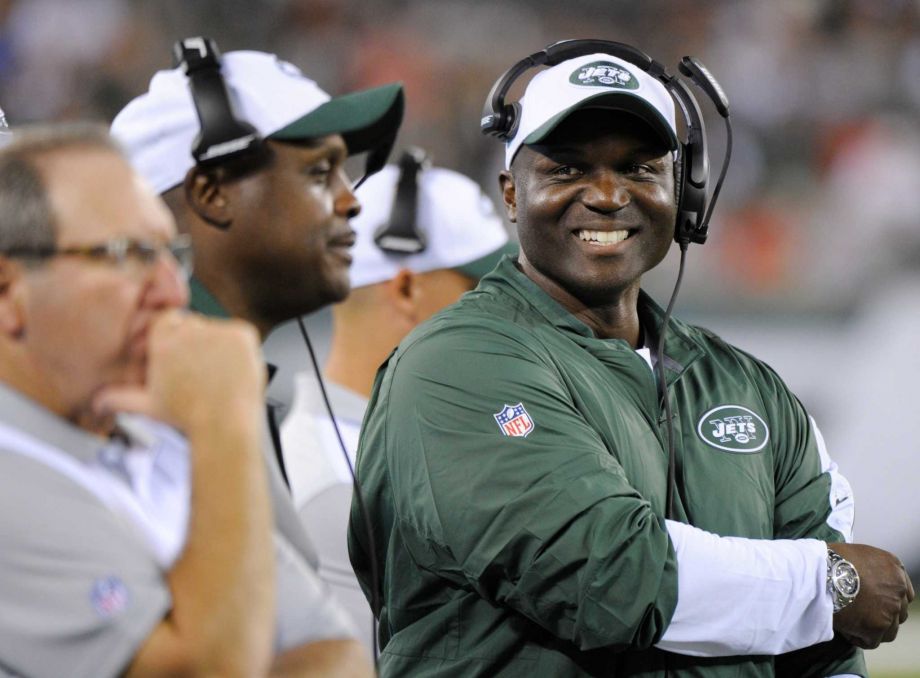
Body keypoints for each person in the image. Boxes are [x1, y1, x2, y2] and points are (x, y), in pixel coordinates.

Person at [347, 47, 914, 677]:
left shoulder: (749, 387)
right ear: (512, 193)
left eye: (640, 167)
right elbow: (608, 579)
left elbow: (824, 652)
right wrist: (825, 585)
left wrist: (830, 608)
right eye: (566, 169)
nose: (609, 195)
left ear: (685, 192)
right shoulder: (453, 366)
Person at [0, 124, 365, 677]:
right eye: (126, 254)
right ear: (9, 294)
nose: (172, 292)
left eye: (170, 253)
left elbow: (334, 646)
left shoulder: (154, 431)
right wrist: (221, 422)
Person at [110, 44, 404, 661]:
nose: (351, 200)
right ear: (213, 194)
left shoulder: (216, 381)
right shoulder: (132, 402)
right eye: (320, 173)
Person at [281, 147, 516, 651]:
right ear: (406, 288)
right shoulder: (333, 487)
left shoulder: (390, 446)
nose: (513, 313)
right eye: (487, 289)